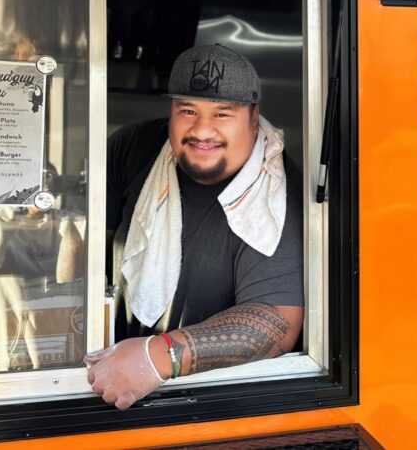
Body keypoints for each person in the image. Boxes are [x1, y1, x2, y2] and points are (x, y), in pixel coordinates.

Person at [87, 44, 304, 410]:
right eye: (187, 111)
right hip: (106, 377)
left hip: (216, 402)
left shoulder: (276, 191)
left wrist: (157, 357)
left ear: (253, 117)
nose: (202, 130)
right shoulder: (134, 147)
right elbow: (89, 254)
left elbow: (276, 323)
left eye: (223, 113)